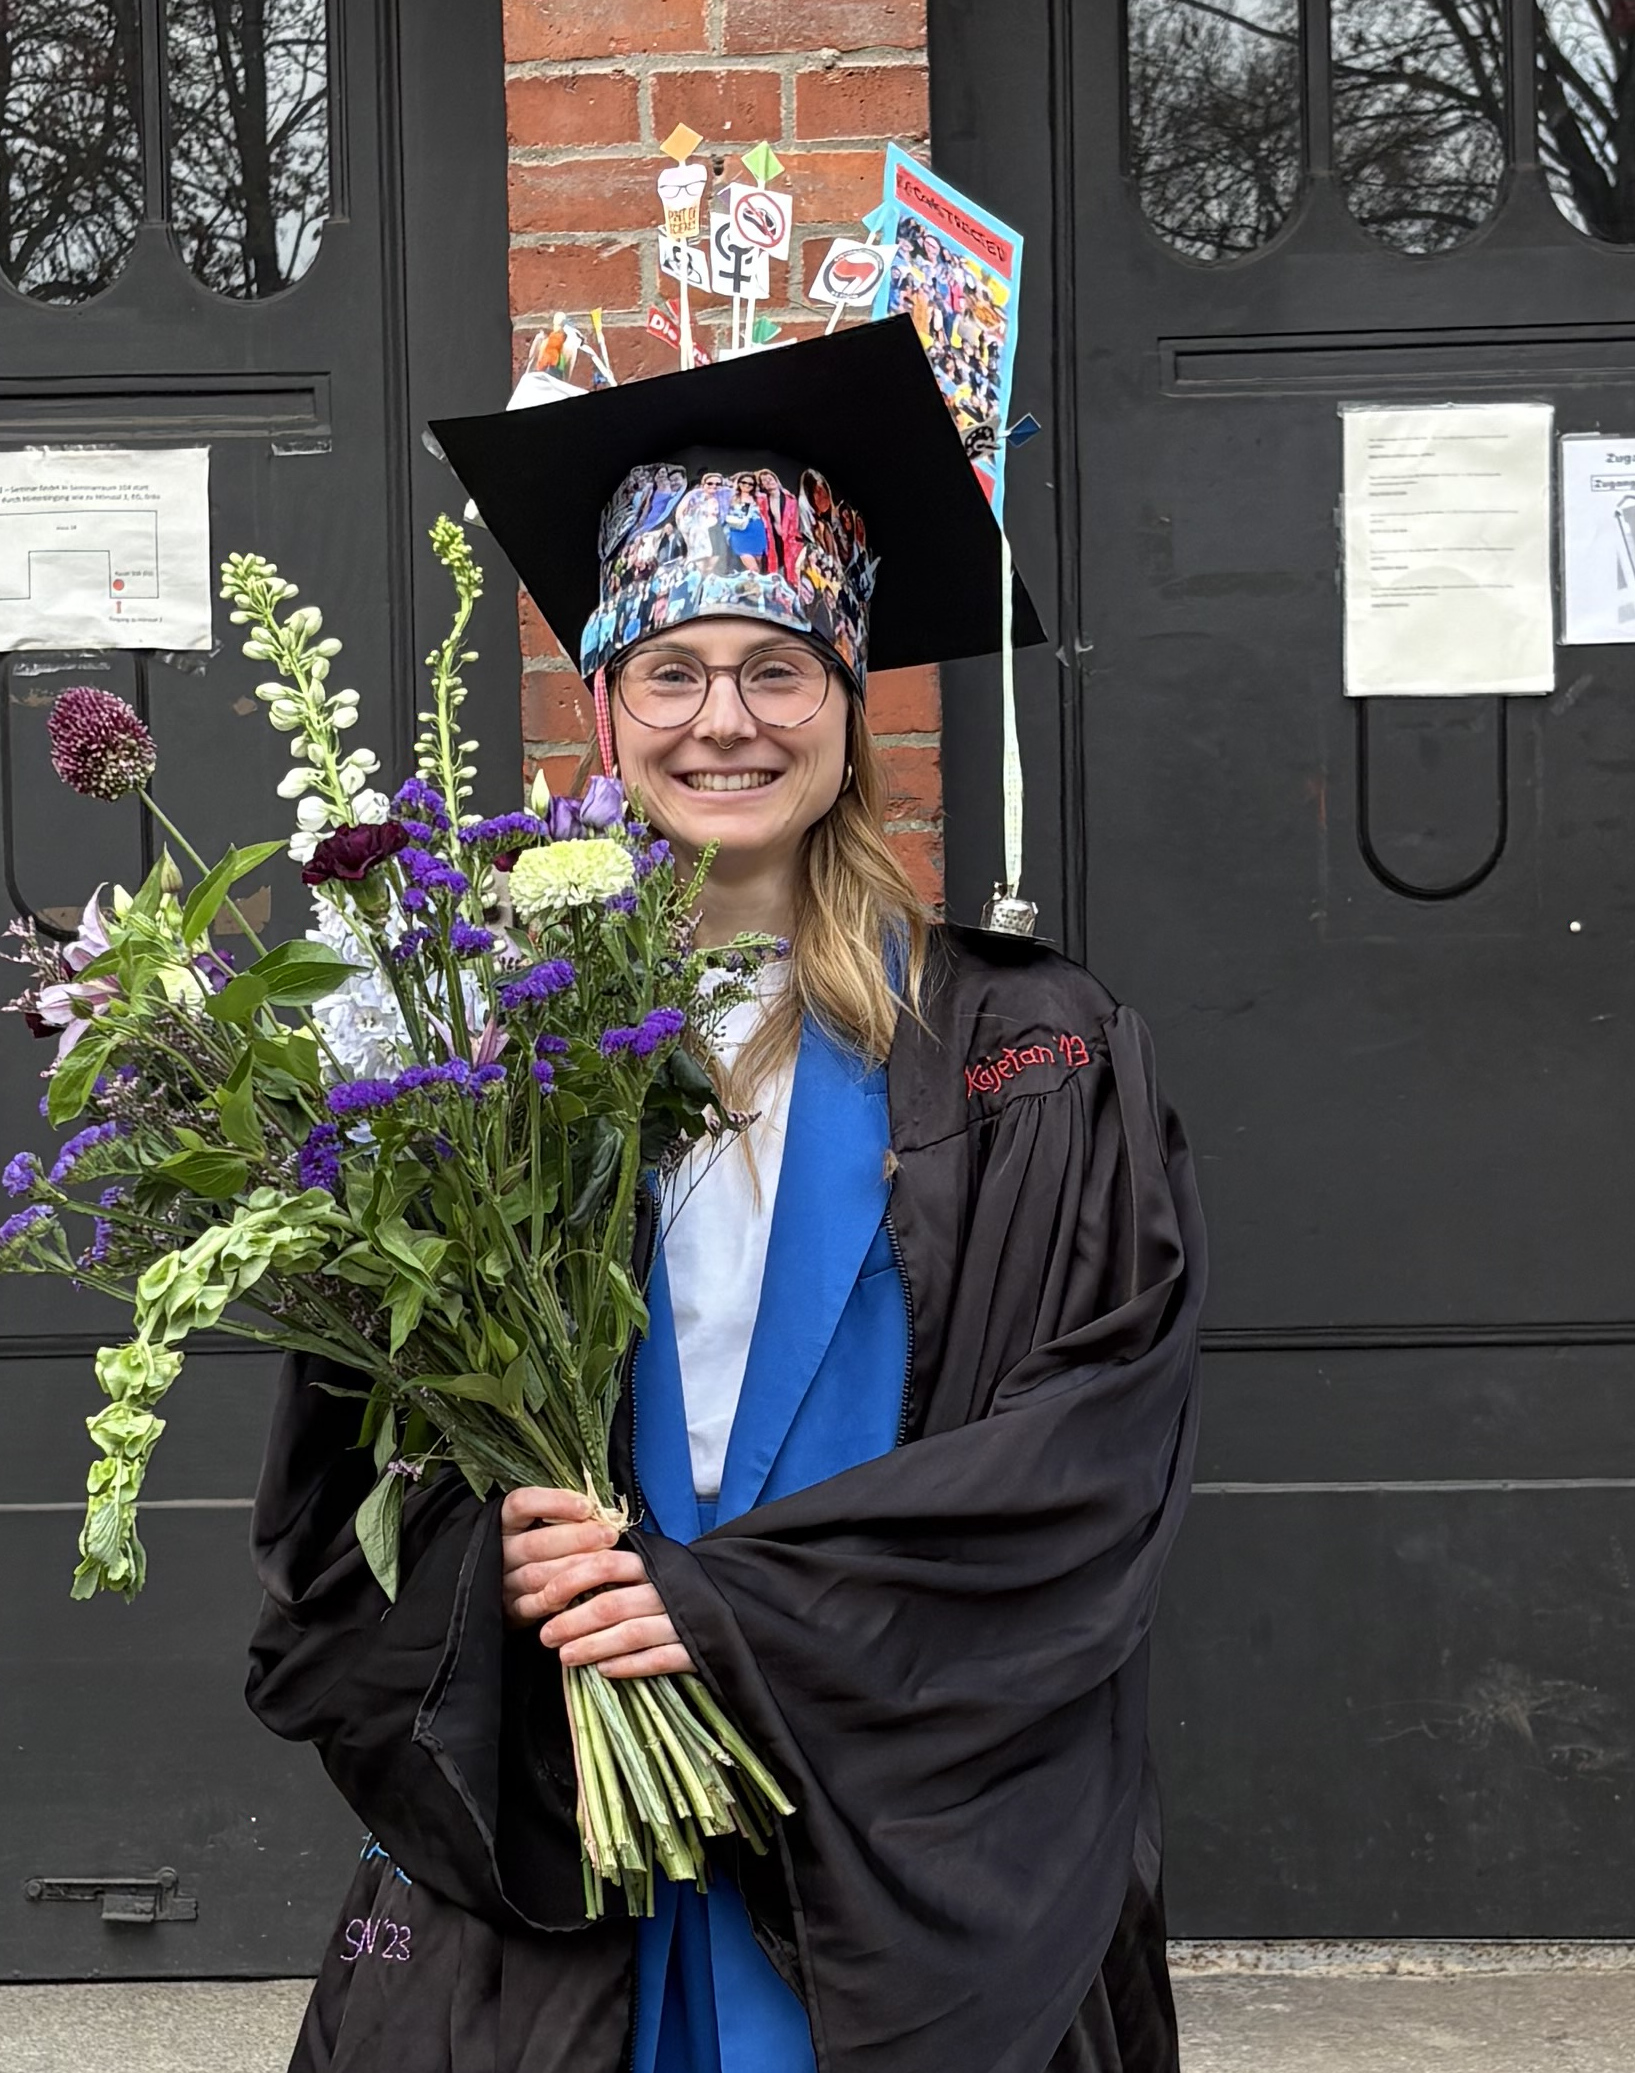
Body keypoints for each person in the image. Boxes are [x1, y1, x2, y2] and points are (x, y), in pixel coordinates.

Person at [246, 318, 1204, 2073]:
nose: (725, 720)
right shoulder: (476, 1056)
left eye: (778, 666)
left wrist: (735, 1613)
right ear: (603, 706)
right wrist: (503, 1544)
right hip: (581, 1818)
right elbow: (347, 1482)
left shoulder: (1027, 1050)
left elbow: (1087, 1457)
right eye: (671, 667)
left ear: (848, 703)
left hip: (896, 1825)